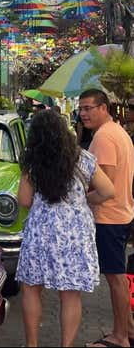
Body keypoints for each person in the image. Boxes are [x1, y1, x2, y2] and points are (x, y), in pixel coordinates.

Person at [16, 110, 114, 347]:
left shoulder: (32, 161)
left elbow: (24, 200)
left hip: (41, 231)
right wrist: (84, 200)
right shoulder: (82, 158)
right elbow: (109, 191)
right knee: (70, 295)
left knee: (31, 288)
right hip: (75, 232)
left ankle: (32, 345)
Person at [79, 89, 134, 348]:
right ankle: (128, 329)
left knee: (115, 278)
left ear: (104, 108)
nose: (83, 114)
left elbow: (105, 184)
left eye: (89, 108)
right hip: (120, 213)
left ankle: (120, 336)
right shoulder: (116, 132)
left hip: (109, 217)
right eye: (81, 109)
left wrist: (82, 199)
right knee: (117, 276)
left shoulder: (104, 137)